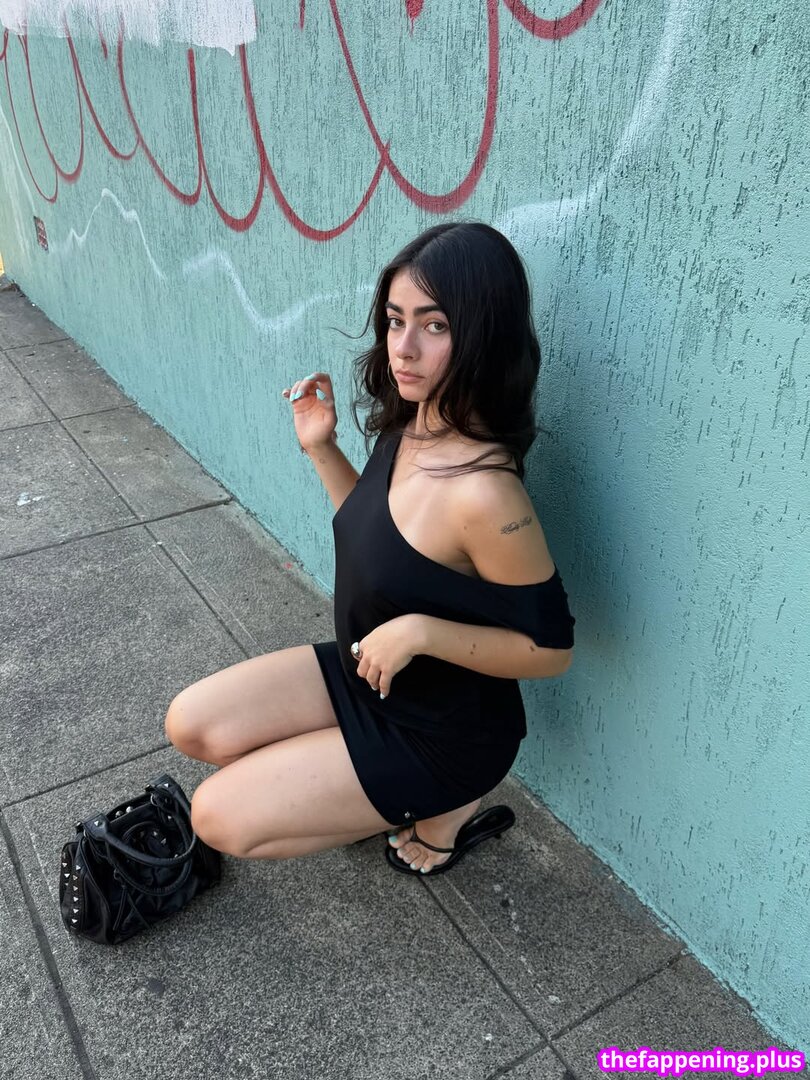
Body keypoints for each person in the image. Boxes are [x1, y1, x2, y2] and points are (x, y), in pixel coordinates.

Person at [164, 221, 575, 876]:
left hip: (445, 732)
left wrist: (420, 633)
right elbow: (377, 542)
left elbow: (551, 651)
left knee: (214, 816)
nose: (403, 349)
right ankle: (363, 781)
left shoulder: (485, 494)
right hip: (372, 675)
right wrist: (321, 448)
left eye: (434, 326)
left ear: (483, 335)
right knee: (189, 723)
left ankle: (443, 807)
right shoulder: (412, 422)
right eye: (395, 320)